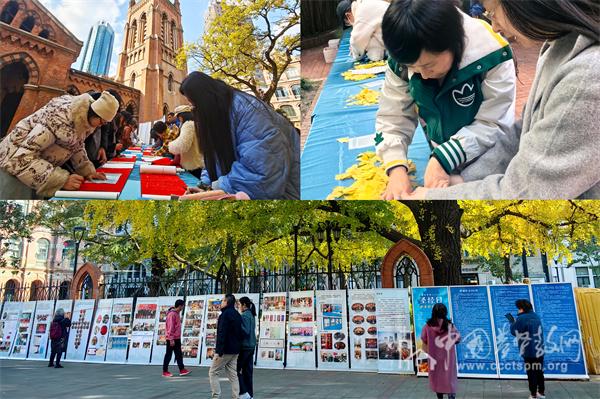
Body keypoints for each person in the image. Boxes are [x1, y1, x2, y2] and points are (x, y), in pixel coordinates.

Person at [409, 0, 600, 199]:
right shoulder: (559, 45)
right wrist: (467, 179)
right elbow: (523, 131)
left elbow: (528, 190)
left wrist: (435, 198)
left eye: (492, 12)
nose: (495, 26)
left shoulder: (586, 77)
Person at [376, 0, 516, 200]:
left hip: (488, 159)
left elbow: (494, 122)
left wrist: (444, 158)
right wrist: (396, 167)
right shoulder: (402, 58)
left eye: (429, 65)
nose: (422, 75)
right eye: (413, 68)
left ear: (454, 42)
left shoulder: (493, 53)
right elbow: (392, 117)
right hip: (443, 154)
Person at [178, 71, 300, 200]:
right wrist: (205, 186)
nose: (193, 109)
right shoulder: (219, 114)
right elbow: (215, 159)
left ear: (204, 97)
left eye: (194, 104)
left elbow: (261, 172)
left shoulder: (247, 111)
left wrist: (217, 187)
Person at [0, 91, 119, 199]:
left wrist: (88, 171)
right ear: (94, 113)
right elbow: (21, 158)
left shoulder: (82, 120)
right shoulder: (59, 117)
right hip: (13, 168)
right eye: (102, 121)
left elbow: (76, 146)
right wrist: (60, 180)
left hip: (36, 170)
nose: (102, 125)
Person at [421, 303, 461, 399]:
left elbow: (423, 339)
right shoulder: (450, 326)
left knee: (437, 380)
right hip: (448, 358)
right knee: (449, 378)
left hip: (434, 358)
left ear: (433, 312)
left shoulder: (427, 326)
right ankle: (451, 396)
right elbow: (458, 339)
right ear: (445, 312)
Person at [510, 299, 545, 399]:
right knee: (539, 371)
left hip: (528, 350)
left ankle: (533, 394)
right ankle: (541, 393)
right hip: (539, 349)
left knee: (531, 373)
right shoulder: (536, 316)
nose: (517, 310)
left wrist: (512, 322)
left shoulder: (522, 318)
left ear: (522, 309)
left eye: (518, 308)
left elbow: (514, 331)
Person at [209, 294, 243, 399]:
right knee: (233, 375)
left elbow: (221, 333)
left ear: (227, 302)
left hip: (225, 350)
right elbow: (239, 333)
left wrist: (219, 351)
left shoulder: (224, 315)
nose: (221, 303)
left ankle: (216, 396)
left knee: (213, 372)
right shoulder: (237, 315)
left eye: (223, 301)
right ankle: (236, 396)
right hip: (235, 350)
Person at [167, 105, 204, 179]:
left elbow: (183, 145)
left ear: (181, 117)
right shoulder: (193, 124)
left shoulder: (188, 125)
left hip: (193, 166)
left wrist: (169, 146)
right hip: (195, 163)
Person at [162, 299, 191, 377]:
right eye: (183, 306)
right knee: (169, 354)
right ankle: (165, 371)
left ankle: (182, 369)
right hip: (172, 338)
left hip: (176, 337)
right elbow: (170, 327)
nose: (183, 307)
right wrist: (171, 339)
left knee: (178, 354)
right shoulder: (172, 314)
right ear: (180, 306)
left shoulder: (177, 313)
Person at [237, 297, 257, 399]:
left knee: (236, 370)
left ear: (244, 305)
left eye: (239, 305)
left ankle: (244, 392)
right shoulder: (251, 315)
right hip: (251, 345)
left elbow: (245, 331)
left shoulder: (244, 316)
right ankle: (250, 394)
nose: (239, 307)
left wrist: (237, 325)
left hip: (245, 346)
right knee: (248, 372)